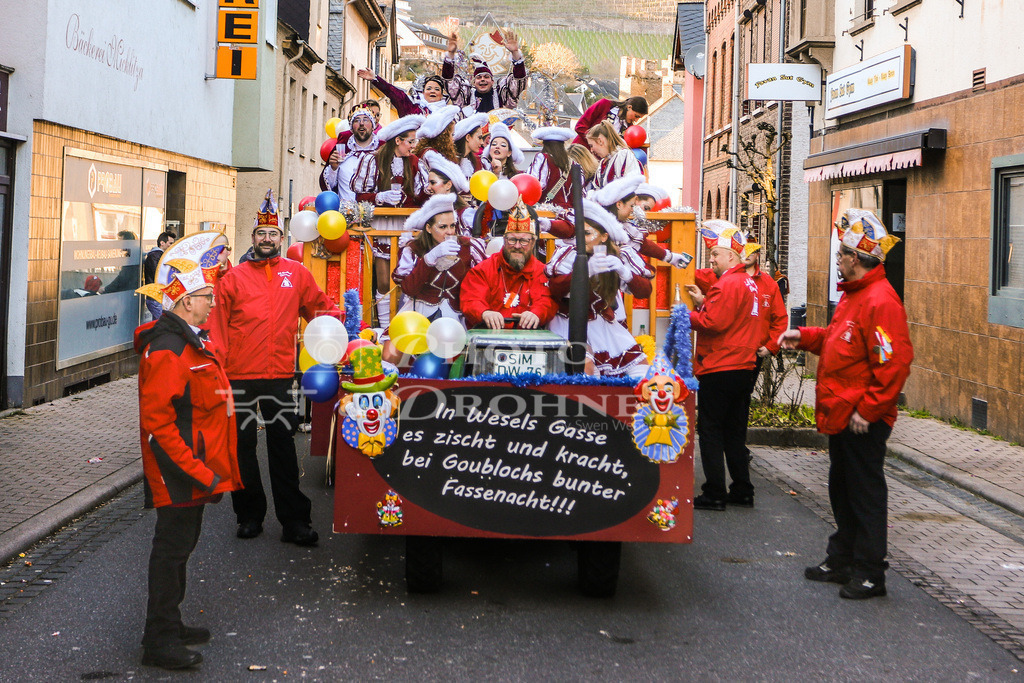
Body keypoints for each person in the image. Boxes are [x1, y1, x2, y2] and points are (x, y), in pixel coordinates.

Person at [779, 208, 912, 600]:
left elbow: (894, 363)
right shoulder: (857, 295)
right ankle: (842, 560)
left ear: (855, 258)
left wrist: (868, 411)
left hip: (861, 417)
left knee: (864, 494)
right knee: (843, 489)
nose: (837, 259)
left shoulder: (879, 301)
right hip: (846, 413)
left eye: (840, 254)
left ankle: (870, 572)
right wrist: (804, 337)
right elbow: (841, 341)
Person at [208, 191, 340, 546]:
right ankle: (249, 515)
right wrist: (216, 367)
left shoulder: (297, 274)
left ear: (282, 238)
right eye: (261, 234)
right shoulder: (232, 279)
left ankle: (294, 521)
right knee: (242, 448)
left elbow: (320, 310)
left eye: (273, 234)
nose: (267, 239)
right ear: (252, 238)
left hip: (280, 376)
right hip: (238, 377)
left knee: (283, 448)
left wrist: (342, 327)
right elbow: (217, 326)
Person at [133, 237, 242, 671]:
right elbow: (158, 424)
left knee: (181, 548)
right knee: (171, 551)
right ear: (185, 302)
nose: (213, 303)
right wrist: (198, 471)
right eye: (206, 296)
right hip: (178, 469)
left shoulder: (188, 341)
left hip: (191, 466)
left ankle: (168, 624)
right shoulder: (169, 348)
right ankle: (159, 639)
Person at [684, 221, 762, 512]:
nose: (711, 259)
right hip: (743, 365)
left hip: (720, 365)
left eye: (715, 254)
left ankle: (714, 492)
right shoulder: (748, 283)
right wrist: (704, 301)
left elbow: (712, 322)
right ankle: (742, 489)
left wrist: (685, 314)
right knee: (734, 432)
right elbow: (732, 317)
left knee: (711, 430)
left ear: (731, 256)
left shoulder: (726, 283)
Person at [545, 200, 650, 378]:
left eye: (587, 233)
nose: (581, 239)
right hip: (568, 323)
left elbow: (644, 292)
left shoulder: (618, 255)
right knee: (586, 367)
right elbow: (555, 289)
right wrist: (584, 272)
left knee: (641, 369)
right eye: (579, 233)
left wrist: (626, 274)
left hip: (602, 324)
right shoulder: (568, 254)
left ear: (604, 237)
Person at [387, 194, 486, 362]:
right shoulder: (414, 249)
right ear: (428, 228)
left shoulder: (469, 246)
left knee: (452, 358)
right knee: (390, 353)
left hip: (456, 317)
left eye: (452, 226)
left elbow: (482, 281)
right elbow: (409, 289)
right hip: (419, 313)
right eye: (442, 227)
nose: (449, 232)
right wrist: (429, 259)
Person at [460, 201, 559, 330]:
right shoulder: (483, 270)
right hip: (490, 335)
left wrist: (536, 313)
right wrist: (484, 313)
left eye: (523, 241)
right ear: (504, 240)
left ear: (533, 243)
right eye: (512, 240)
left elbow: (546, 301)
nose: (517, 246)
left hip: (527, 338)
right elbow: (471, 299)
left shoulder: (541, 272)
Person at [442, 30, 527, 114]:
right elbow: (450, 84)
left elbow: (517, 83)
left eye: (486, 77)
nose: (482, 79)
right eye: (479, 77)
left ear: (492, 81)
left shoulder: (502, 96)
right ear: (474, 82)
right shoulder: (466, 97)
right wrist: (450, 55)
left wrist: (515, 53)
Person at [322, 106, 380, 199]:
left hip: (373, 208)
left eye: (365, 120)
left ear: (373, 126)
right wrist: (333, 168)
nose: (361, 123)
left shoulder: (381, 153)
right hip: (344, 207)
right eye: (357, 120)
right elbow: (329, 188)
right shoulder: (342, 152)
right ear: (351, 128)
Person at [421, 150, 475, 235]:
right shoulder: (429, 213)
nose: (428, 188)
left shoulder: (465, 214)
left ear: (448, 185)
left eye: (433, 183)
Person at [356, 69, 447, 116]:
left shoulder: (447, 113)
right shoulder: (412, 106)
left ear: (442, 95)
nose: (432, 91)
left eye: (437, 89)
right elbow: (394, 93)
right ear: (423, 92)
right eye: (429, 88)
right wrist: (376, 79)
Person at [528, 127, 575, 209]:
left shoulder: (542, 158)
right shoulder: (573, 163)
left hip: (546, 210)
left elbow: (534, 184)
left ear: (544, 144)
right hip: (569, 212)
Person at [572, 96, 648, 146]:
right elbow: (580, 127)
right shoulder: (604, 105)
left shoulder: (629, 130)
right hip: (581, 152)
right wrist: (595, 142)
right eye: (636, 116)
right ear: (629, 107)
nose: (636, 120)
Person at [586, 121, 642, 188]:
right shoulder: (603, 163)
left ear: (600, 141)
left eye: (591, 145)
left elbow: (631, 185)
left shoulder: (623, 155)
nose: (591, 150)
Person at [143, 231, 176, 319]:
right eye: (170, 243)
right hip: (156, 296)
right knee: (165, 322)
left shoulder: (159, 256)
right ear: (162, 243)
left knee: (160, 323)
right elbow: (158, 275)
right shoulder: (156, 256)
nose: (172, 246)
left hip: (158, 297)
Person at [454, 113, 490, 178]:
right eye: (479, 138)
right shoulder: (451, 162)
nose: (482, 142)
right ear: (468, 137)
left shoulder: (478, 163)